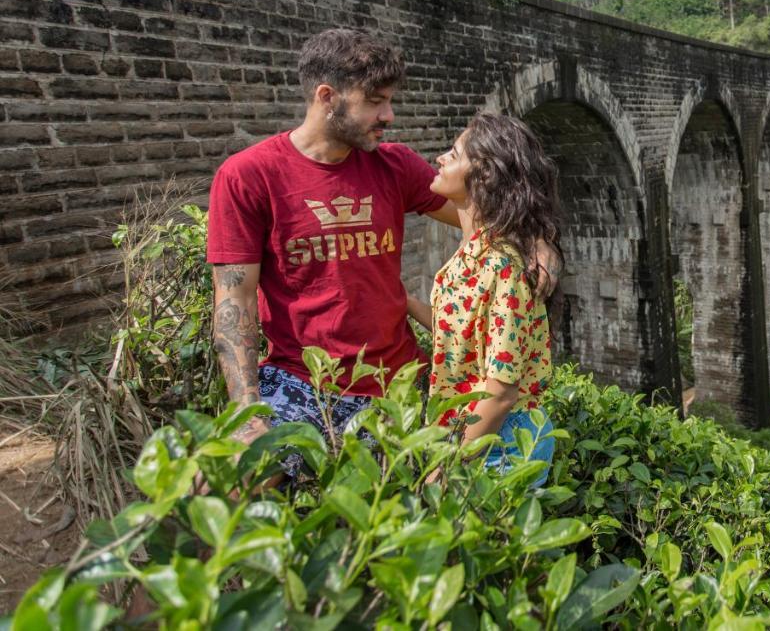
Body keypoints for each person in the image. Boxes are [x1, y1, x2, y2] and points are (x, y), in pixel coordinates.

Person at [206, 29, 558, 481]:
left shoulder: (395, 166)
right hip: (299, 380)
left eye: (389, 100)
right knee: (240, 479)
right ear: (327, 97)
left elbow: (494, 211)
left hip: (398, 386)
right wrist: (246, 409)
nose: (388, 115)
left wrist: (540, 245)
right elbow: (233, 300)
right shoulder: (248, 176)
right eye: (375, 101)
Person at [407, 112, 559, 487]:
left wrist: (452, 464)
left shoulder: (502, 265)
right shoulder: (472, 251)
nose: (440, 158)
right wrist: (403, 302)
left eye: (453, 154)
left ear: (484, 176)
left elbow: (502, 390)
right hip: (471, 428)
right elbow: (462, 335)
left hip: (502, 440)